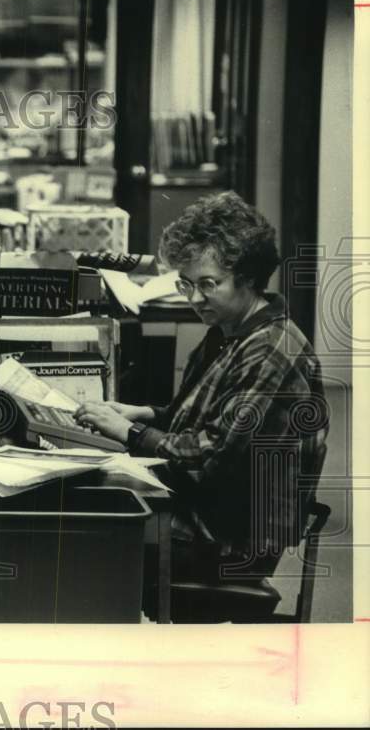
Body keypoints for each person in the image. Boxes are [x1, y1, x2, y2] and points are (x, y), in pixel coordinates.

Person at [74, 192, 327, 591]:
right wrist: (147, 414)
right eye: (185, 284)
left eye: (208, 284)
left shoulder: (271, 349)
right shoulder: (227, 332)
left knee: (77, 528)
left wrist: (132, 434)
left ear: (249, 277)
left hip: (230, 541)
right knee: (83, 503)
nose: (193, 298)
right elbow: (200, 420)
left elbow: (212, 459)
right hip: (206, 514)